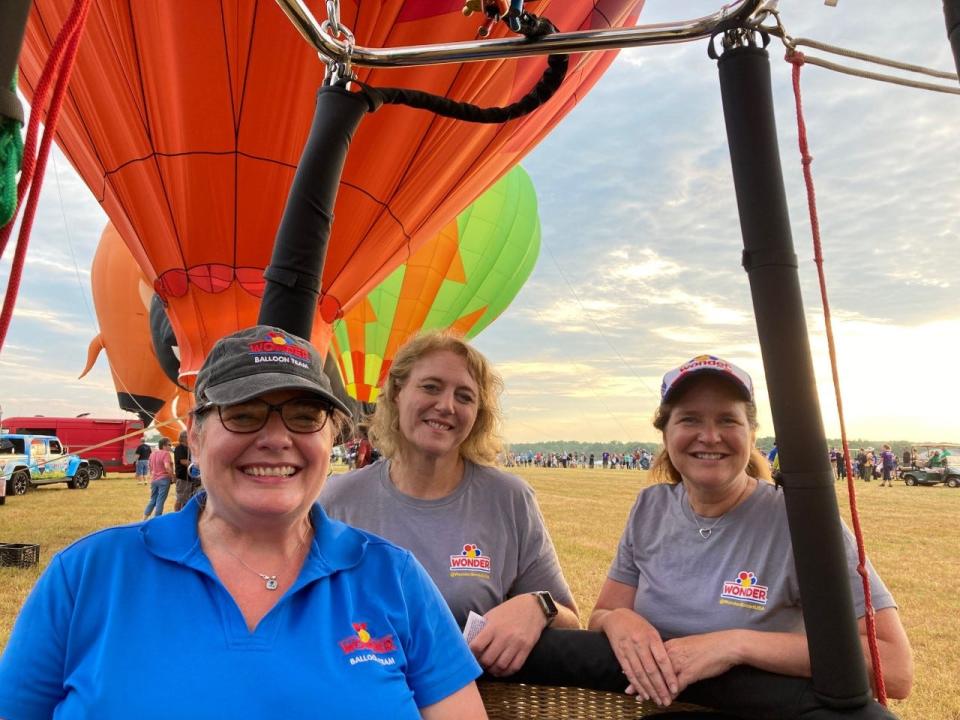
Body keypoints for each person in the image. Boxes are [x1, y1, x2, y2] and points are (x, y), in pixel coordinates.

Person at [0, 326, 485, 718]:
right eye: (245, 414)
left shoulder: (393, 578)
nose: (276, 438)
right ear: (196, 432)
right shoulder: (87, 575)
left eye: (304, 416)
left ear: (330, 435)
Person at [588, 355, 913, 708]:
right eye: (690, 419)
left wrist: (736, 645)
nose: (710, 436)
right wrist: (620, 621)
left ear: (751, 433)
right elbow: (602, 614)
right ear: (666, 433)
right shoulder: (650, 508)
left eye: (728, 420)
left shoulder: (799, 522)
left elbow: (893, 666)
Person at [321, 331, 579, 677]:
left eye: (465, 396)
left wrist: (539, 605)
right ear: (397, 393)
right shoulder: (337, 499)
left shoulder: (509, 499)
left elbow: (571, 622)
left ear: (478, 414)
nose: (447, 405)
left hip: (477, 703)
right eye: (430, 387)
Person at [143, 437, 174, 519]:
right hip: (164, 479)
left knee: (152, 500)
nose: (170, 446)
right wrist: (173, 477)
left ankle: (144, 519)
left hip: (154, 479)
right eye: (169, 445)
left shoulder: (152, 454)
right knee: (160, 500)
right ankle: (157, 519)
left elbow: (150, 467)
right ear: (164, 445)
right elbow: (167, 467)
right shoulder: (166, 454)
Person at [173, 430, 194, 510]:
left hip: (190, 478)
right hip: (183, 478)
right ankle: (176, 515)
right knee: (181, 499)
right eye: (189, 436)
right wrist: (196, 464)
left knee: (188, 499)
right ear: (184, 438)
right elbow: (183, 461)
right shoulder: (179, 448)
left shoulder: (189, 448)